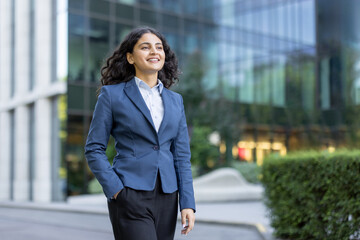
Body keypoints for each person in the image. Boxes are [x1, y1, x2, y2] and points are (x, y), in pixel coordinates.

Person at [84, 26, 196, 240]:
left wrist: (187, 203)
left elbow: (181, 156)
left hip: (168, 196)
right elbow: (94, 149)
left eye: (159, 47)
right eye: (145, 47)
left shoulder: (176, 101)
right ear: (130, 57)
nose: (154, 52)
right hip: (129, 193)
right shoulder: (112, 95)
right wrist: (117, 190)